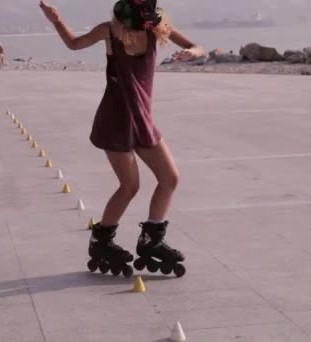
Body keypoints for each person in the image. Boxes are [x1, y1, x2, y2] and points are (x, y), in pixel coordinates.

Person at [39, 0, 205, 277]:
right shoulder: (109, 32)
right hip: (115, 119)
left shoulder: (156, 28)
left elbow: (199, 47)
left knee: (170, 178)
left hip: (142, 118)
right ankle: (101, 241)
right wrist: (56, 20)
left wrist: (190, 52)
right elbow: (74, 44)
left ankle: (151, 240)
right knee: (130, 186)